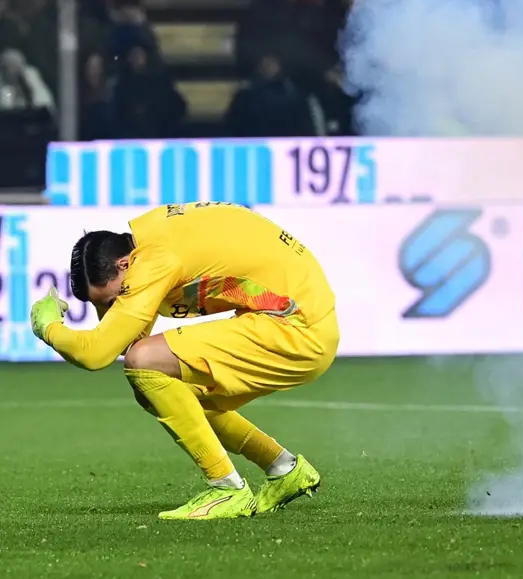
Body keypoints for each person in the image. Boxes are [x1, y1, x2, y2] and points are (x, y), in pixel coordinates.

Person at [29, 201, 340, 520]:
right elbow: (125, 342)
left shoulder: (155, 260)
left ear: (123, 264)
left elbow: (95, 354)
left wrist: (48, 327)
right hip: (297, 319)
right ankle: (284, 468)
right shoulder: (150, 245)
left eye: (113, 299)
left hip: (297, 326)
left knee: (145, 364)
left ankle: (227, 488)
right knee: (161, 387)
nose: (110, 310)